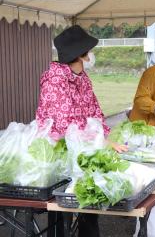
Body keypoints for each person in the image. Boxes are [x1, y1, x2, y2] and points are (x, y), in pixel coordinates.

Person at [36, 25, 126, 237]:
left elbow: (95, 111)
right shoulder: (54, 81)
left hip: (84, 150)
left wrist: (105, 136)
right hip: (59, 152)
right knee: (62, 211)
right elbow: (66, 127)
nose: (91, 56)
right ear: (80, 55)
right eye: (88, 53)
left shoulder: (82, 78)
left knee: (88, 205)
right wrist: (101, 143)